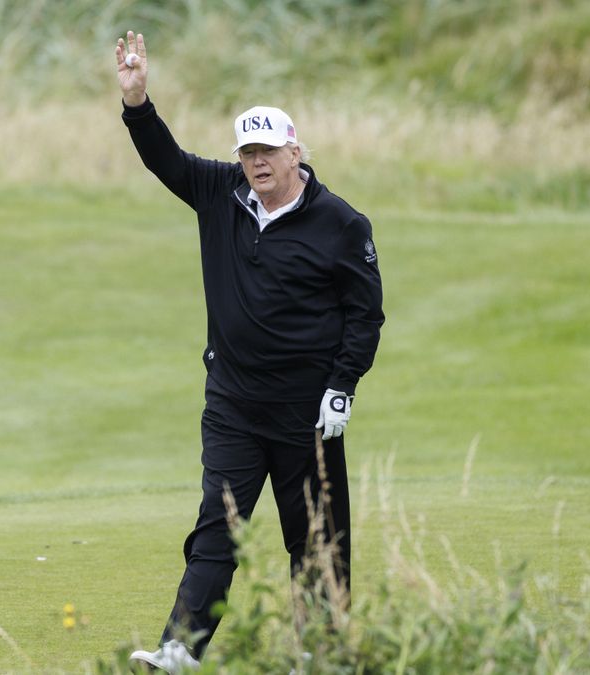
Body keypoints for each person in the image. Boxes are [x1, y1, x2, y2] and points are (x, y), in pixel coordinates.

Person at [115, 31, 385, 672]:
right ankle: (180, 649)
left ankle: (320, 654)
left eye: (267, 150)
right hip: (233, 404)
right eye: (246, 152)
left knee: (316, 541)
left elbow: (364, 314)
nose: (256, 163)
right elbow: (165, 160)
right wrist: (137, 102)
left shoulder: (341, 224)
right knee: (217, 529)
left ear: (296, 152)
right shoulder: (220, 195)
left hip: (307, 414)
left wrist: (343, 385)